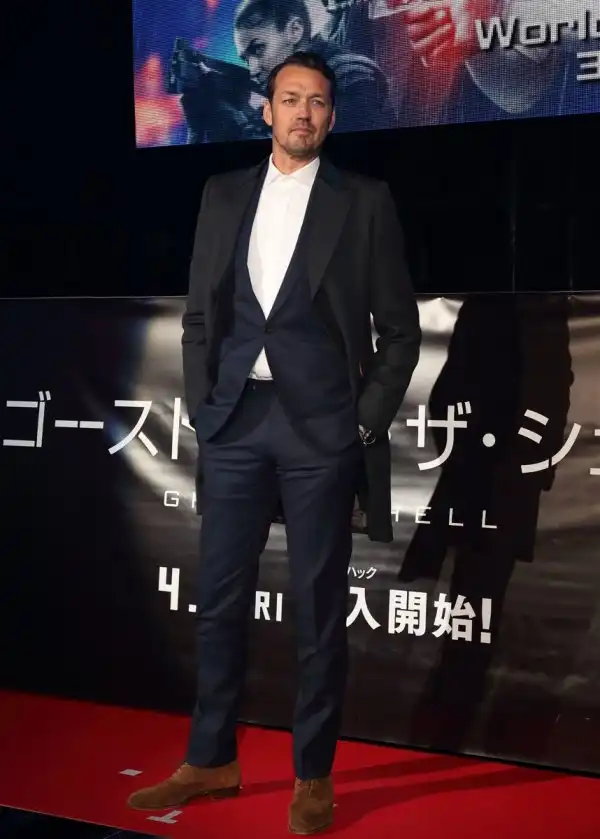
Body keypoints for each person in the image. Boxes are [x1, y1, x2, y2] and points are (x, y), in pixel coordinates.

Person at [127, 50, 420, 834]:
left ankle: (312, 773)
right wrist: (205, 404)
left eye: (317, 102)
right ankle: (210, 758)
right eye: (290, 99)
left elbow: (400, 332)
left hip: (322, 429)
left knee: (319, 609)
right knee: (219, 600)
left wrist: (362, 421)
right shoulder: (222, 193)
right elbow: (200, 314)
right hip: (235, 422)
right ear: (265, 109)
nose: (302, 113)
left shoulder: (364, 201)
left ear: (332, 116)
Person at [180, 0, 394, 143]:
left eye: (258, 49)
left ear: (295, 30)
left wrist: (236, 126)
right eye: (246, 59)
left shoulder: (352, 76)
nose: (253, 69)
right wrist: (200, 127)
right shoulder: (281, 95)